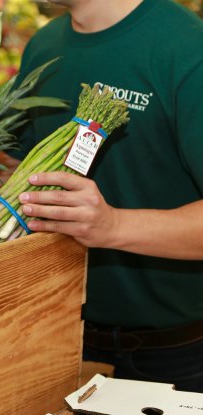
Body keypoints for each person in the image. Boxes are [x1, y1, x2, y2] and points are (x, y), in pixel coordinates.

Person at [11, 0, 203, 392]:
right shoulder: (45, 45)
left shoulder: (187, 50)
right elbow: (15, 161)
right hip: (48, 337)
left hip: (172, 357)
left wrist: (112, 225)